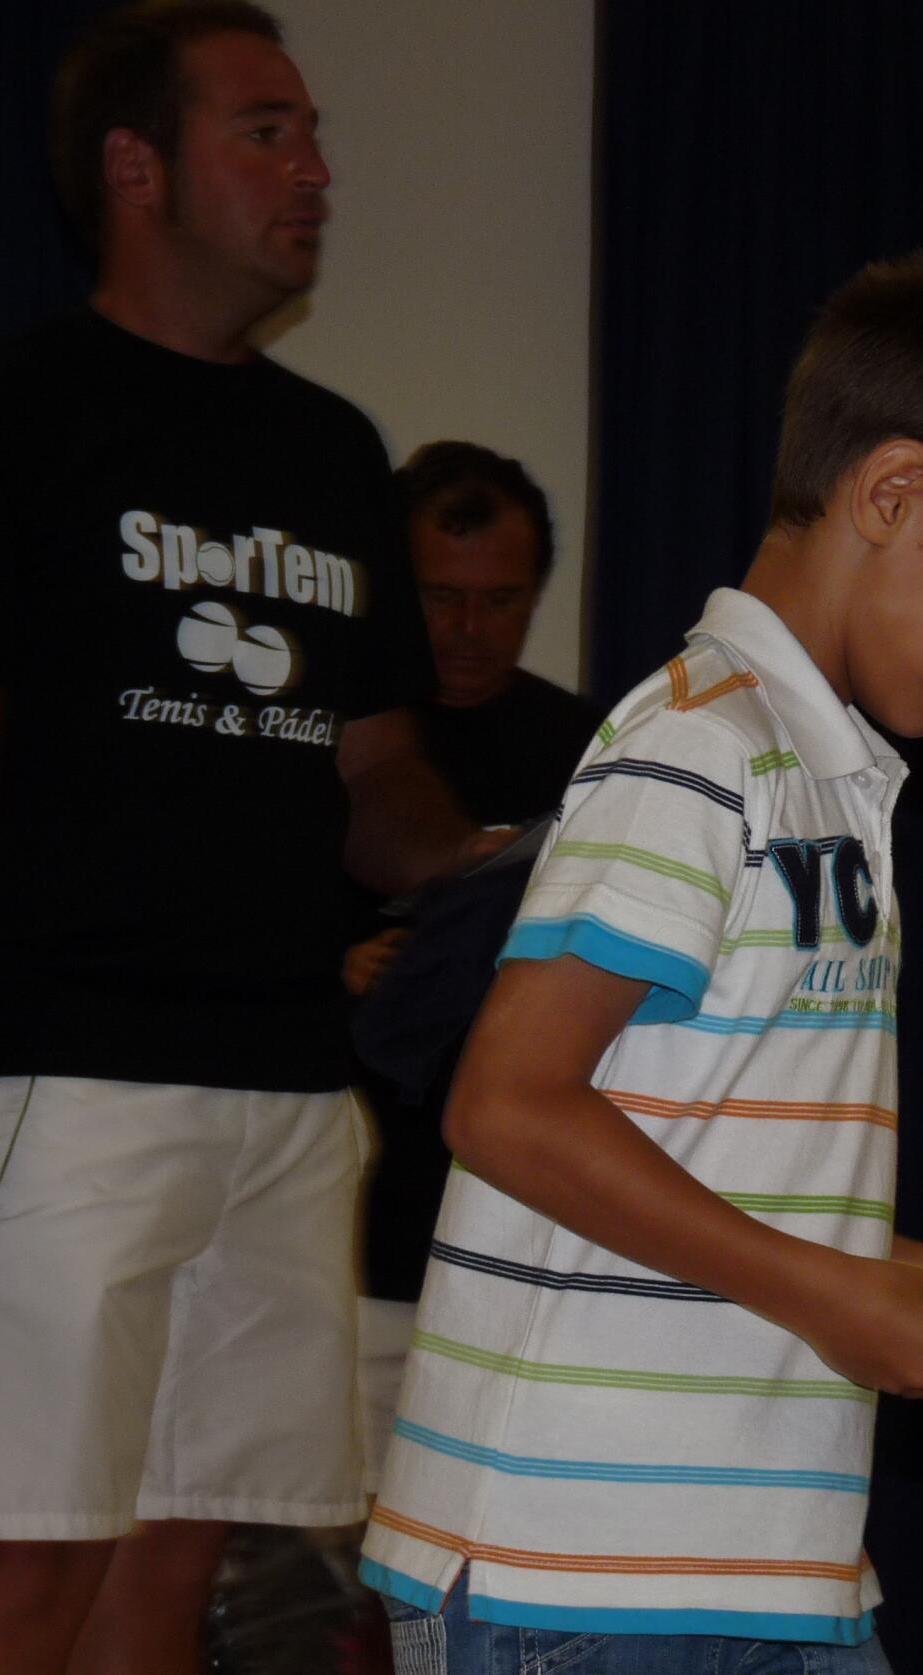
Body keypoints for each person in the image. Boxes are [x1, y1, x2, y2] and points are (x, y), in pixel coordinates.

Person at [362, 246, 923, 1675]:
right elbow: (509, 1105)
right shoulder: (695, 746)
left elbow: (700, 1151)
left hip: (769, 1561)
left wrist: (915, 1274)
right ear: (894, 492)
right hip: (574, 1562)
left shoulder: (829, 778)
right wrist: (833, 1295)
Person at [0, 8, 486, 1675]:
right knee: (17, 1574)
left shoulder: (332, 451)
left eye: (315, 136)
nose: (316, 172)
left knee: (164, 1580)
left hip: (289, 1099)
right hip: (68, 1091)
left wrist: (513, 868)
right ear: (135, 167)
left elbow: (374, 781)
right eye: (267, 131)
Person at [346, 443, 597, 1453]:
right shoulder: (324, 737)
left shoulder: (589, 749)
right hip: (344, 1215)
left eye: (500, 600)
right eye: (440, 597)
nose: (468, 629)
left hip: (523, 1224)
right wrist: (335, 969)